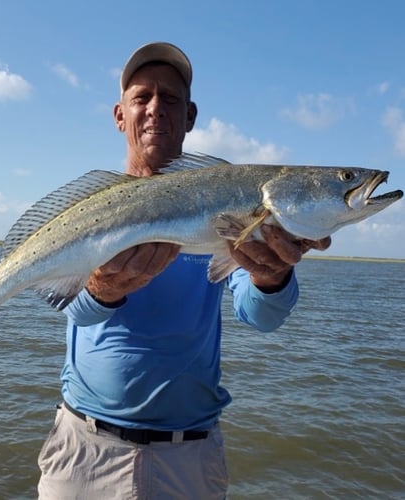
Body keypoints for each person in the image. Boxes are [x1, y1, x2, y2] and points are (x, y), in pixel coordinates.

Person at [37, 42, 330, 499]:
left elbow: (262, 316)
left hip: (189, 459)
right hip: (84, 451)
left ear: (190, 116)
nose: (156, 109)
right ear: (120, 115)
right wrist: (102, 288)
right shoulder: (88, 212)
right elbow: (72, 309)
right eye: (142, 98)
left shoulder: (228, 199)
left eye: (170, 99)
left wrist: (270, 276)